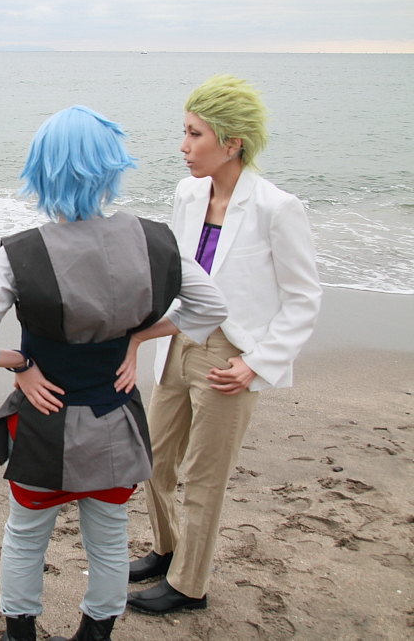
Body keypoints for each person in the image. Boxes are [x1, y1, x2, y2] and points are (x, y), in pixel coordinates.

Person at [0, 106, 227, 641]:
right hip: (115, 419)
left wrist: (21, 364)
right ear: (112, 168)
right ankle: (95, 635)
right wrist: (138, 337)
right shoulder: (155, 241)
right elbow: (211, 308)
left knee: (26, 535)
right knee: (110, 537)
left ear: (40, 171)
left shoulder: (21, 255)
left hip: (45, 422)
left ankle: (20, 635)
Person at [126, 75, 322, 615]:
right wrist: (140, 331)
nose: (183, 146)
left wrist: (258, 364)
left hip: (231, 356)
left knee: (204, 477)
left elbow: (304, 298)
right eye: (184, 132)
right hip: (179, 342)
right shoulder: (188, 194)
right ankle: (168, 550)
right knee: (153, 458)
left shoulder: (277, 207)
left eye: (195, 134)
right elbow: (175, 275)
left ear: (232, 142)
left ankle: (189, 586)